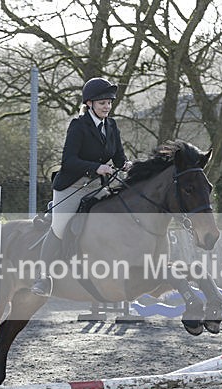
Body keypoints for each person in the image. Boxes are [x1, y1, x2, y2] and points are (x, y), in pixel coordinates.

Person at [32, 77, 132, 297]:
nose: (107, 107)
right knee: (59, 228)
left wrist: (126, 165)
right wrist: (96, 167)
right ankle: (43, 277)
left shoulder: (112, 125)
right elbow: (69, 160)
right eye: (102, 103)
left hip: (97, 186)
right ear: (89, 104)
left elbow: (118, 156)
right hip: (72, 185)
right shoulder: (78, 126)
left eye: (109, 103)